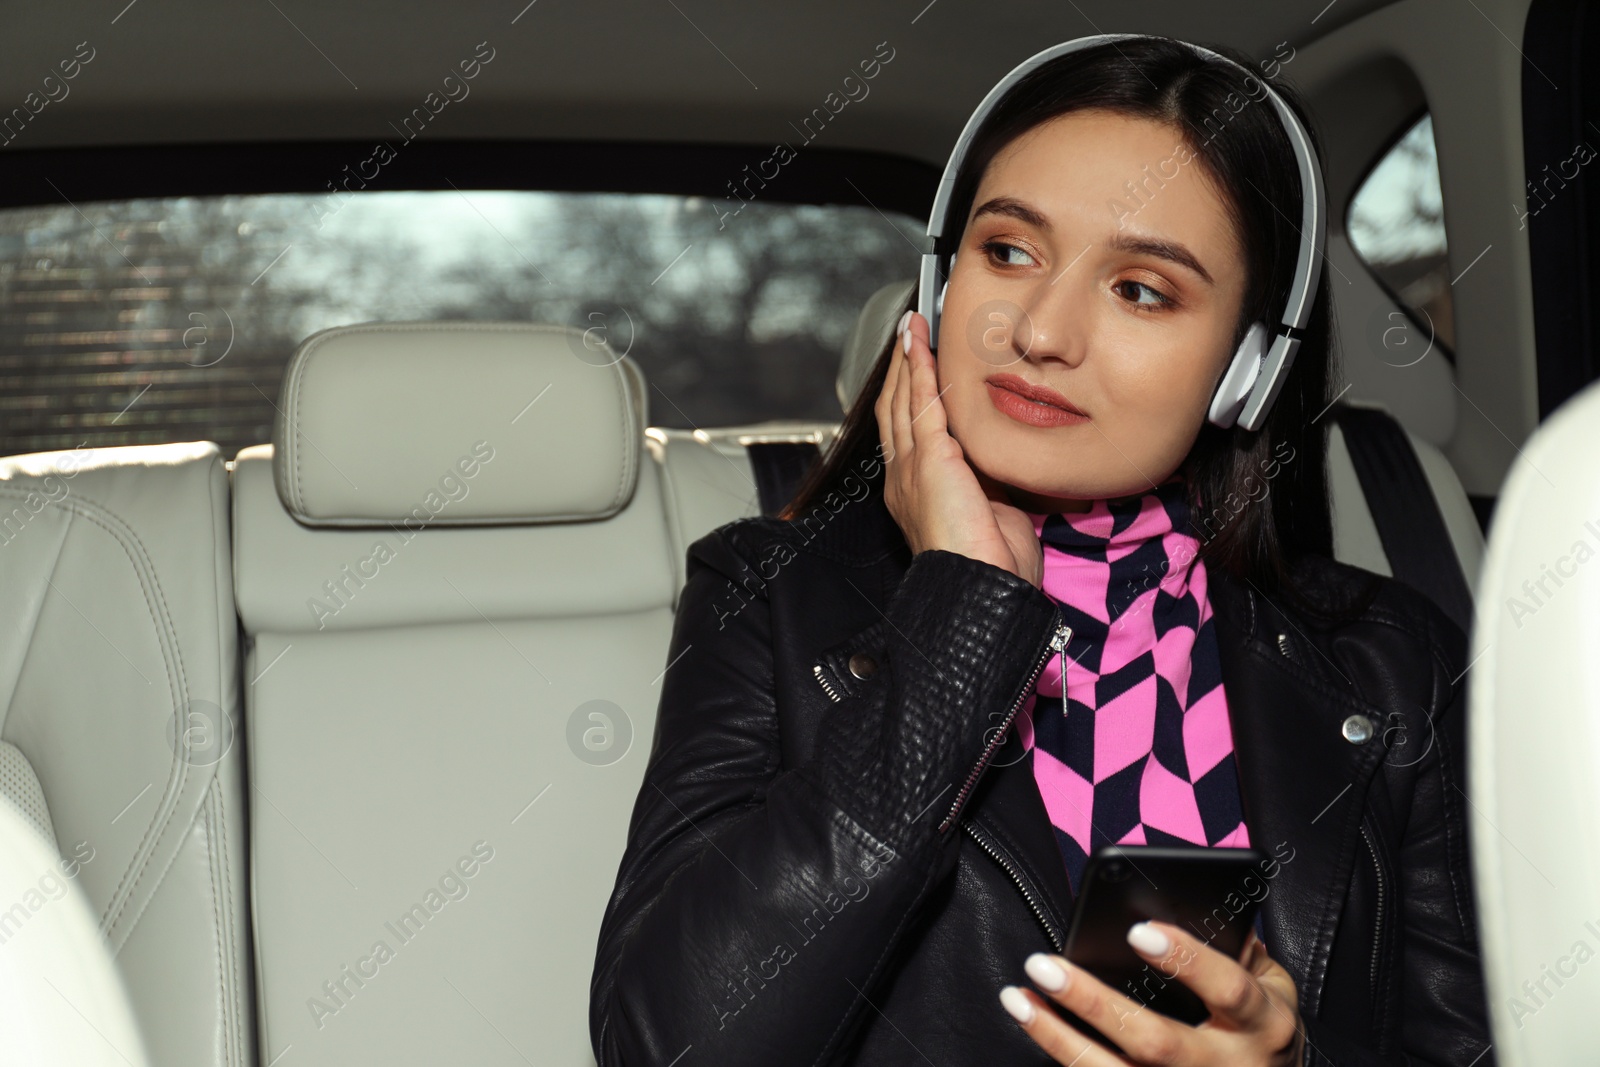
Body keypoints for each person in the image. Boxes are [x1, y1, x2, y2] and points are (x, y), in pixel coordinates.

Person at [589, 35, 1494, 1066]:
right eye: (1008, 251)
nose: (1040, 330)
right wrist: (960, 619)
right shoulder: (763, 595)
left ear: (1245, 368)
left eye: (1141, 290)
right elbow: (668, 1046)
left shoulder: (1394, 659)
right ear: (936, 285)